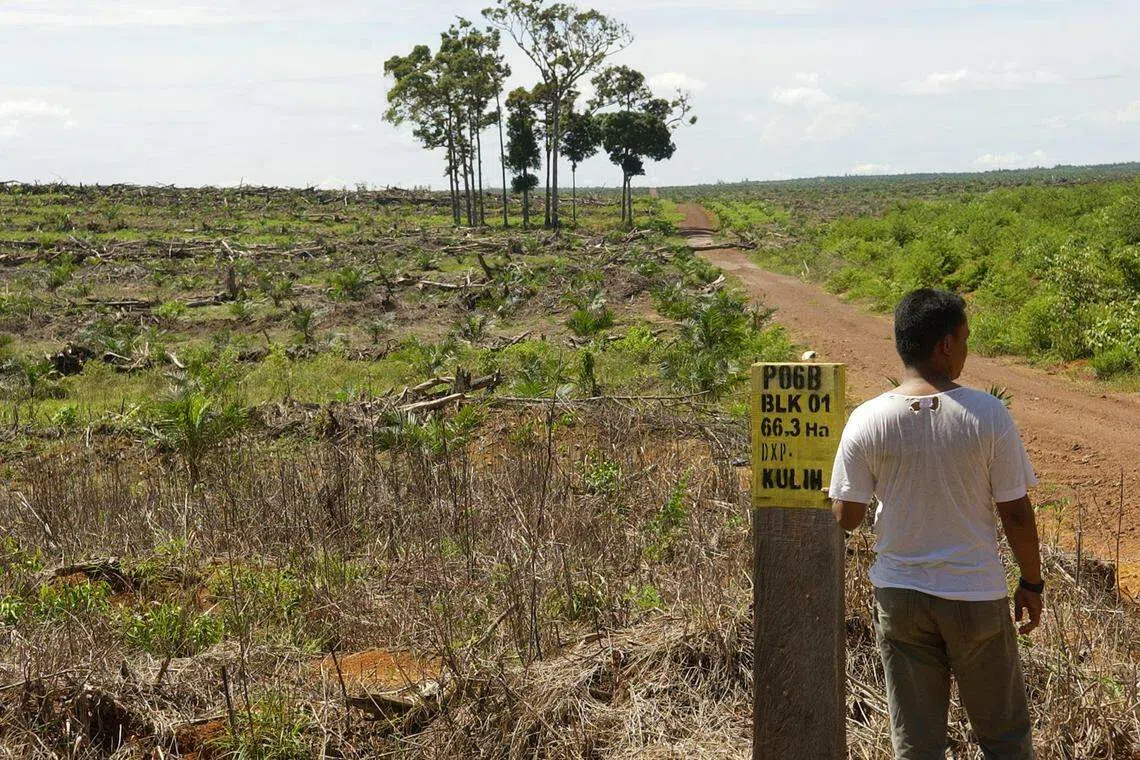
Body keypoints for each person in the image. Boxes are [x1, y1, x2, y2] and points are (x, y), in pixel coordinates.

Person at [829, 288, 1043, 760]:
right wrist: (1031, 580)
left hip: (900, 596)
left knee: (916, 743)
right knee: (1004, 737)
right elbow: (1016, 513)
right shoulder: (988, 415)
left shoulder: (866, 419)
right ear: (945, 345)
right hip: (974, 596)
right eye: (964, 340)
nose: (966, 350)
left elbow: (847, 517)